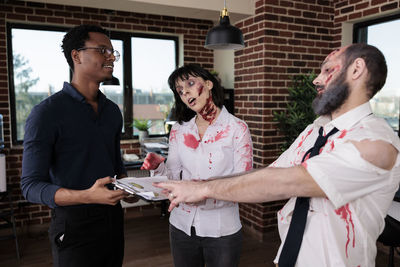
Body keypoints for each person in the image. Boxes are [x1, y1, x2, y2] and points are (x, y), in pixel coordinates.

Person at [154, 43, 400, 267]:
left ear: (356, 69)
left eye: (326, 71)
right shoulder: (315, 130)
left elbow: (291, 180)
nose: (316, 80)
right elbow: (267, 173)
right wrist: (197, 185)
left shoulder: (378, 141)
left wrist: (202, 190)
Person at [21, 24, 130, 267]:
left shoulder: (112, 111)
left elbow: (115, 164)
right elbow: (30, 186)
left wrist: (131, 187)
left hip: (113, 219)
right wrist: (87, 196)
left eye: (113, 52)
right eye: (103, 50)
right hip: (73, 225)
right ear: (76, 55)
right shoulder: (46, 114)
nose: (112, 57)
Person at [141, 64, 253, 267]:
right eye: (180, 90)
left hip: (222, 230)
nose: (185, 93)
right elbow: (173, 178)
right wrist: (158, 167)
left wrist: (203, 192)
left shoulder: (237, 128)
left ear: (209, 84)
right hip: (181, 226)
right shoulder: (179, 130)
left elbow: (243, 185)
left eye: (190, 84)